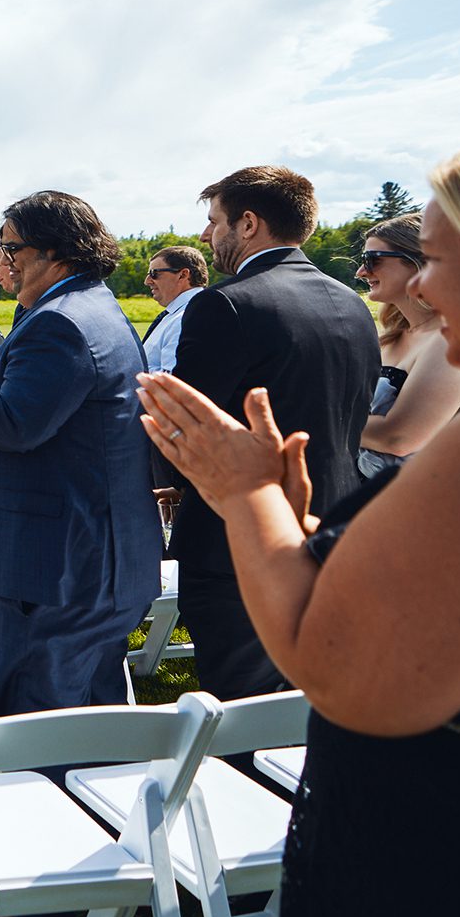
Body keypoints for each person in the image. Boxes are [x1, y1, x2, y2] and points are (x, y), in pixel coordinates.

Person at [136, 132, 460, 917]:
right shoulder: (347, 307)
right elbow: (443, 591)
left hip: (434, 858)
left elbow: (337, 668)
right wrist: (304, 522)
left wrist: (246, 493)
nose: (415, 287)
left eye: (434, 259)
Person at [0, 192, 159, 715]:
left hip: (57, 568)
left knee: (35, 720)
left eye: (10, 248)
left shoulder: (59, 322)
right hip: (93, 557)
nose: (0, 260)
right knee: (96, 716)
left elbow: (16, 422)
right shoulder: (94, 306)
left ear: (56, 251)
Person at [165, 166, 379, 702]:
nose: (206, 235)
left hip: (240, 537)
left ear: (248, 223)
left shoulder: (226, 303)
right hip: (333, 520)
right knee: (307, 694)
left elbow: (189, 420)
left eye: (214, 221)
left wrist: (170, 479)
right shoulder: (350, 302)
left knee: (241, 702)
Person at [354, 212, 460, 476]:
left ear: (419, 263)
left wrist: (320, 421)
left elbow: (400, 437)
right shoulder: (391, 337)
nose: (361, 272)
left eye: (373, 260)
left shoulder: (453, 338)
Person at [140, 244, 208, 374]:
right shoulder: (180, 313)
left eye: (154, 273)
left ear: (183, 275)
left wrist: (132, 371)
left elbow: (172, 379)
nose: (147, 281)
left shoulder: (185, 318)